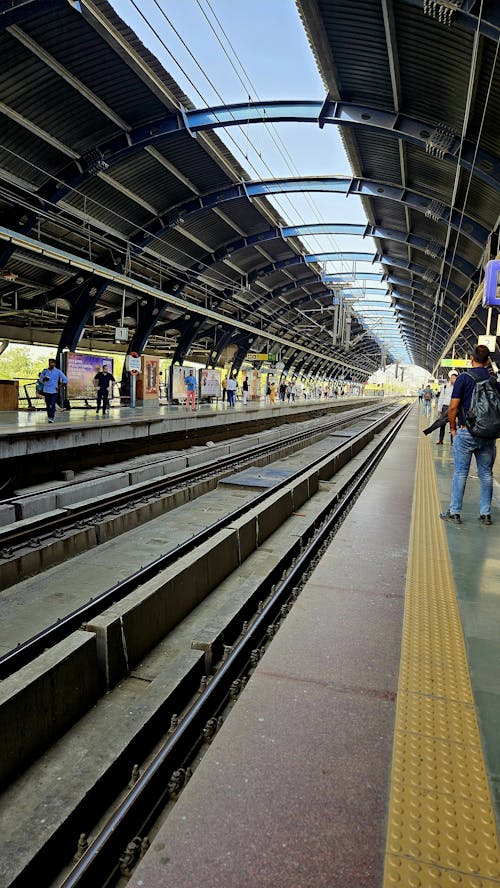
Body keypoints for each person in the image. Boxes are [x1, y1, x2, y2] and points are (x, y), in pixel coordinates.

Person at [440, 345, 500, 526]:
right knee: (486, 474)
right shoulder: (494, 381)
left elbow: (452, 408)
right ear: (488, 361)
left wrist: (452, 428)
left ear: (471, 360)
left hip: (466, 431)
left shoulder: (463, 379)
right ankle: (485, 514)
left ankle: (455, 512)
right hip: (488, 435)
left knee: (460, 473)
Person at [423, 371, 458, 443]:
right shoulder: (445, 386)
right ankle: (440, 440)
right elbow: (441, 398)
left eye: (455, 378)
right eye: (453, 378)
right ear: (450, 378)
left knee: (453, 424)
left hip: (453, 407)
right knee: (442, 424)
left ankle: (453, 441)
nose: (454, 380)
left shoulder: (458, 387)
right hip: (445, 407)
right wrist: (439, 409)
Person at [38, 357, 68, 423]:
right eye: (49, 363)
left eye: (52, 363)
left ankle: (51, 417)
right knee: (48, 405)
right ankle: (49, 417)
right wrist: (44, 379)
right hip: (46, 390)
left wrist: (59, 386)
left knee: (52, 404)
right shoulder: (45, 371)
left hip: (54, 391)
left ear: (54, 364)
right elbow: (40, 380)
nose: (50, 364)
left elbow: (66, 380)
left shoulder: (58, 371)